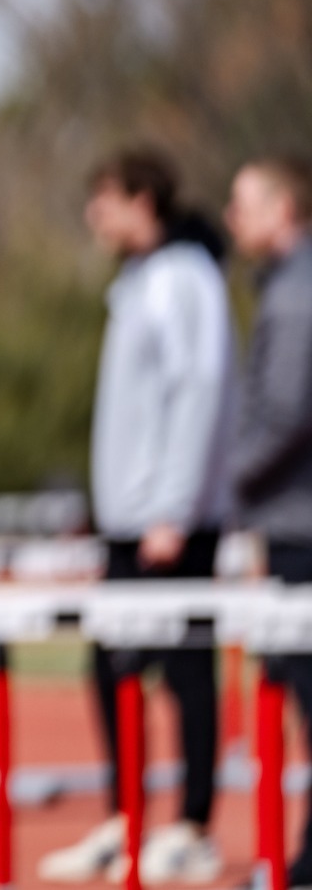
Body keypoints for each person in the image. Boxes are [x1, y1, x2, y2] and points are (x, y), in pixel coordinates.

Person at [39, 149, 235, 885]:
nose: (95, 216)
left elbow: (200, 390)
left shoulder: (186, 277)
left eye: (104, 200)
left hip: (170, 518)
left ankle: (192, 826)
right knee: (111, 665)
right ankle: (126, 819)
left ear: (140, 200)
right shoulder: (138, 280)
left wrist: (173, 507)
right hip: (131, 514)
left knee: (185, 668)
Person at [225, 155, 312, 890]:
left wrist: (227, 484)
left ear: (284, 209)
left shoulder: (294, 295)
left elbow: (284, 411)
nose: (232, 218)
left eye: (243, 203)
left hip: (300, 521)